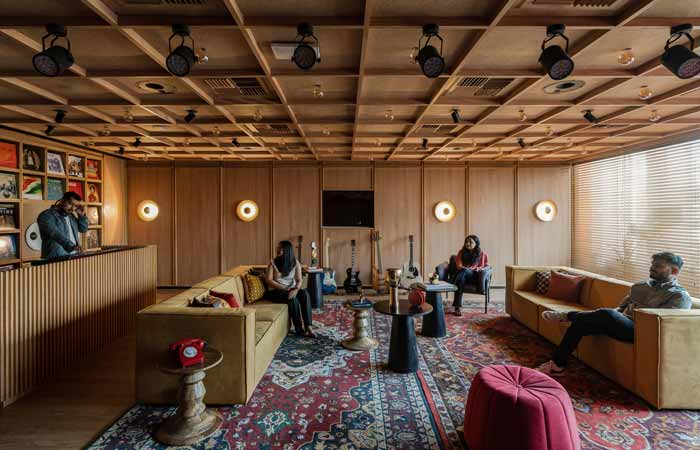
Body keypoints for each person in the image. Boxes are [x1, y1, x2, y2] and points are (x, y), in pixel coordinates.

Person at [537, 252, 691, 376]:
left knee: (607, 313)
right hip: (622, 324)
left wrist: (612, 315)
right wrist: (613, 315)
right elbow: (622, 306)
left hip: (643, 333)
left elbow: (668, 327)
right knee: (580, 324)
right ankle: (557, 364)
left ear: (674, 271)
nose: (652, 268)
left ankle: (566, 315)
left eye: (658, 266)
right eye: (652, 264)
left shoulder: (679, 296)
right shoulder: (641, 286)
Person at [265, 240, 315, 337]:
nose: (278, 250)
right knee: (293, 300)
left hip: (291, 288)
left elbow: (299, 280)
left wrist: (296, 290)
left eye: (281, 248)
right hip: (276, 290)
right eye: (278, 247)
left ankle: (308, 326)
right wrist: (285, 288)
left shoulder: (295, 262)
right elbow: (269, 280)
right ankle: (298, 329)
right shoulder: (273, 262)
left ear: (287, 251)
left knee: (305, 294)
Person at [37, 191, 88, 260]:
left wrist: (82, 216)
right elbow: (55, 234)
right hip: (55, 259)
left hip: (73, 256)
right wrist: (72, 246)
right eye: (70, 203)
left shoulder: (71, 216)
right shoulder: (46, 215)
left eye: (76, 206)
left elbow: (83, 229)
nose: (73, 208)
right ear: (62, 201)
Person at [450, 235, 489, 316]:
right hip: (462, 275)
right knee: (461, 280)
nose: (468, 244)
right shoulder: (461, 252)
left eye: (470, 242)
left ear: (476, 243)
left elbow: (484, 266)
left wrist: (474, 269)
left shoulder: (481, 254)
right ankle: (457, 307)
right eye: (466, 242)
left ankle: (452, 283)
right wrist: (465, 268)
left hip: (473, 276)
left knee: (464, 271)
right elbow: (459, 266)